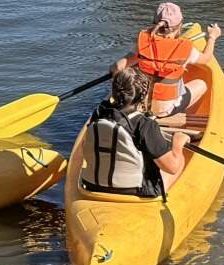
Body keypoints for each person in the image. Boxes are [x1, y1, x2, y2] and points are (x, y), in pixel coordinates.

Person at [76, 66, 189, 198]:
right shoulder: (145, 125)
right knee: (179, 161)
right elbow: (172, 168)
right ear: (144, 95)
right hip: (136, 192)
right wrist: (178, 143)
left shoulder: (99, 114)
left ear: (114, 91)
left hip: (92, 186)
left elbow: (86, 146)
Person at [115, 3, 221, 122]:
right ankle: (184, 113)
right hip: (163, 110)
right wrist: (212, 37)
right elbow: (205, 58)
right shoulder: (186, 48)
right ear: (180, 26)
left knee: (133, 71)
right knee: (202, 84)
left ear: (154, 23)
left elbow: (118, 67)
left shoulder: (143, 44)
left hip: (138, 105)